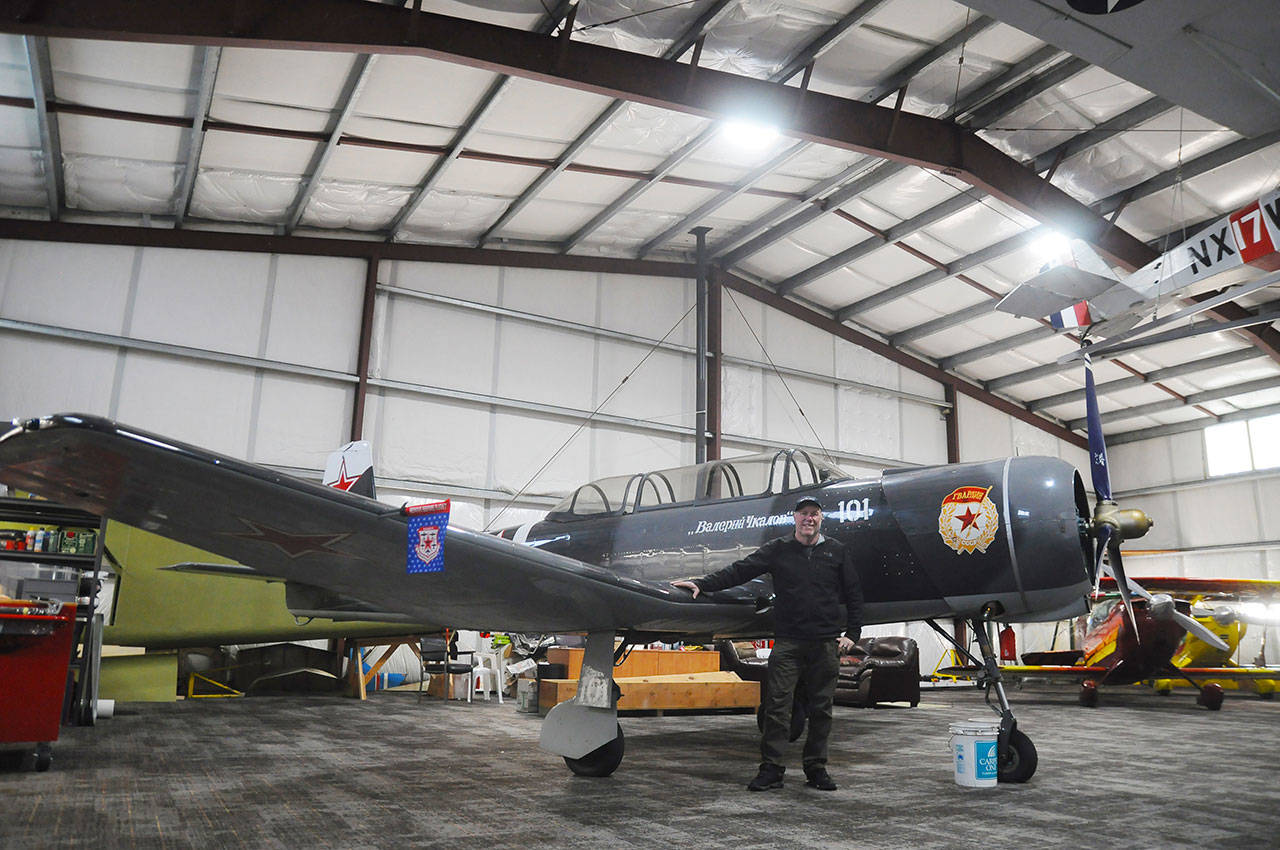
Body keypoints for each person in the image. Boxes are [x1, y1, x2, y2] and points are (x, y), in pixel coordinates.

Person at [672, 496, 863, 792]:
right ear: (795, 519)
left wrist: (853, 633)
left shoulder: (837, 551)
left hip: (825, 644)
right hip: (788, 643)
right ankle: (771, 770)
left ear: (821, 519)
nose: (808, 519)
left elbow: (853, 594)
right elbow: (741, 570)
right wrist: (703, 583)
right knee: (777, 708)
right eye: (803, 514)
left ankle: (816, 769)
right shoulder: (779, 550)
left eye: (814, 514)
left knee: (822, 709)